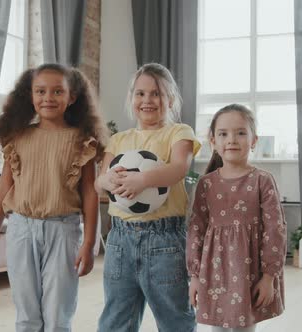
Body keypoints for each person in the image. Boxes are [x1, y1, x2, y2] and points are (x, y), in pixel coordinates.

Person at [0, 63, 107, 332]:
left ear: (71, 97)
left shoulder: (82, 140)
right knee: (26, 314)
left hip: (64, 231)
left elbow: (89, 192)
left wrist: (89, 242)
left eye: (57, 92)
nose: (48, 98)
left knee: (57, 315)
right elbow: (5, 186)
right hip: (21, 230)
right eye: (40, 91)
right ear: (30, 95)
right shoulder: (17, 137)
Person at [96, 63, 200, 332]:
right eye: (140, 94)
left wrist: (143, 179)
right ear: (131, 99)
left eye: (156, 93)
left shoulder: (179, 133)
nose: (147, 100)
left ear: (171, 99)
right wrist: (107, 180)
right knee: (116, 317)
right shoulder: (119, 140)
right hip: (119, 241)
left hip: (164, 241)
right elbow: (99, 182)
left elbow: (178, 168)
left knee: (174, 316)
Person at [186, 104, 286, 332]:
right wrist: (194, 276)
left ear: (253, 140)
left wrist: (270, 276)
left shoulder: (263, 180)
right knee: (217, 328)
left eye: (240, 132)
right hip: (215, 274)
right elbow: (196, 230)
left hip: (250, 274)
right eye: (223, 133)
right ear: (213, 141)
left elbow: (275, 229)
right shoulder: (206, 184)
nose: (231, 139)